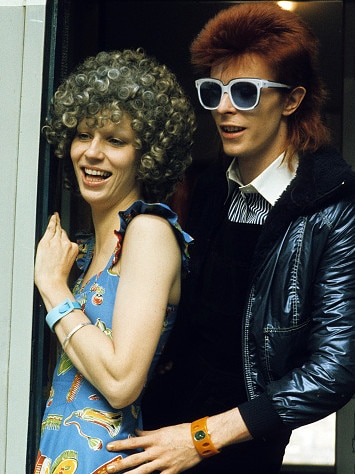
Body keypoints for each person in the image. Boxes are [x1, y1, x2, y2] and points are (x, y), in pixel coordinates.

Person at [104, 3, 355, 474]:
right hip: (157, 421)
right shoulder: (211, 189)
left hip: (240, 444)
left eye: (244, 91)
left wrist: (200, 439)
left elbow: (333, 372)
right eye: (214, 91)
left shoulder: (332, 209)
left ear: (292, 99)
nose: (223, 107)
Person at [33, 48, 195, 473]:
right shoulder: (82, 249)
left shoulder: (148, 232)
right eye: (84, 135)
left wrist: (53, 288)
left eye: (116, 141)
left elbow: (122, 383)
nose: (92, 152)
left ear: (148, 155)